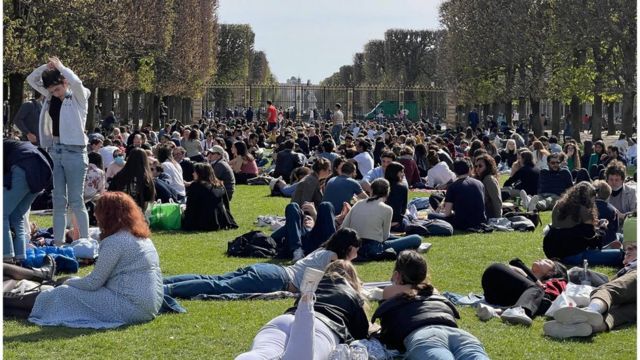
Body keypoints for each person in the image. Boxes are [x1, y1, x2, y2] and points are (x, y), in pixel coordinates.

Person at [4, 192, 163, 328]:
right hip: (148, 305)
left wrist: (68, 283)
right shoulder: (138, 237)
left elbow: (93, 283)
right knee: (63, 290)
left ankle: (8, 302)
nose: (95, 215)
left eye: (98, 211)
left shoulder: (115, 241)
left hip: (129, 306)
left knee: (62, 293)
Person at [163, 228, 361, 299]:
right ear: (348, 247)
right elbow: (343, 285)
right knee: (218, 286)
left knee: (214, 280)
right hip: (276, 279)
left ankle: (165, 282)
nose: (357, 253)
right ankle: (168, 289)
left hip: (271, 271)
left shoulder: (323, 251)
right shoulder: (334, 258)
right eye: (355, 249)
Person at [235, 260, 368, 360]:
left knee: (262, 353)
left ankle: (306, 310)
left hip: (284, 320)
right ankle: (306, 311)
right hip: (322, 328)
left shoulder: (316, 285)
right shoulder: (352, 293)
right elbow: (361, 332)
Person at [373, 250, 489, 359]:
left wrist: (395, 279)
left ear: (397, 275)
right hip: (460, 335)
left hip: (424, 337)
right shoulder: (433, 290)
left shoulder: (390, 291)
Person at [27, 57, 91, 244]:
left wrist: (62, 67)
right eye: (52, 91)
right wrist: (46, 68)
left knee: (76, 201)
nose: (55, 94)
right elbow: (32, 79)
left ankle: (85, 242)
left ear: (65, 82)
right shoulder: (50, 97)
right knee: (58, 201)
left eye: (58, 89)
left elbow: (77, 82)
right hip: (55, 150)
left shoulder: (79, 97)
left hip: (75, 152)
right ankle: (58, 243)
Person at [544, 241, 636, 338]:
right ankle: (585, 328)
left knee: (608, 291)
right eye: (625, 254)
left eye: (631, 252)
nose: (627, 255)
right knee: (618, 314)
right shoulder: (626, 269)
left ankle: (591, 310)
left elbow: (609, 289)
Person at [543, 182, 624, 266]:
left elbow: (574, 230)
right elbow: (594, 243)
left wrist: (595, 226)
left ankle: (609, 248)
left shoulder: (559, 205)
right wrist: (602, 228)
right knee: (620, 255)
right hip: (573, 255)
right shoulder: (584, 210)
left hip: (554, 252)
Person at [341, 178, 422, 261]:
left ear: (371, 190)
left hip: (354, 246)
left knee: (396, 238)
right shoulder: (387, 209)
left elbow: (344, 227)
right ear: (388, 192)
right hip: (374, 248)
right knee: (416, 238)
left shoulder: (358, 203)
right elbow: (385, 237)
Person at [478, 258, 567, 326]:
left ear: (550, 273)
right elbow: (514, 263)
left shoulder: (552, 283)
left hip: (498, 299)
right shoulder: (533, 283)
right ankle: (518, 310)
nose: (540, 259)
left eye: (547, 262)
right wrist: (536, 282)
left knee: (541, 302)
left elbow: (549, 297)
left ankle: (494, 311)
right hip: (495, 277)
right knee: (538, 292)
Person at [4, 139, 53, 263]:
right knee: (17, 215)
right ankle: (20, 256)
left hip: (26, 164)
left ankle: (6, 256)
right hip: (44, 170)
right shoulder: (9, 144)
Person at [429, 159, 487, 231]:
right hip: (481, 221)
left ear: (455, 172)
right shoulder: (480, 183)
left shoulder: (453, 187)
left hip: (462, 224)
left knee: (430, 215)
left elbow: (447, 213)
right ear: (469, 170)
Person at [182, 163, 237, 232]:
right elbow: (226, 204)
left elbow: (191, 207)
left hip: (204, 222)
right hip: (220, 220)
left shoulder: (196, 186)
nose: (193, 173)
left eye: (195, 172)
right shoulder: (219, 185)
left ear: (200, 173)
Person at [474, 154, 502, 219]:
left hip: (488, 214)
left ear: (488, 167)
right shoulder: (479, 178)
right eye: (476, 166)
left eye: (480, 166)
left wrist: (498, 219)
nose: (477, 168)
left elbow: (496, 200)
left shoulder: (489, 179)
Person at [384, 162, 410, 231]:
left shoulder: (380, 184)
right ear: (395, 172)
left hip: (380, 221)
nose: (403, 174)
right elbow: (402, 210)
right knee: (408, 218)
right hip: (396, 223)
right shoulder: (402, 187)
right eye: (401, 172)